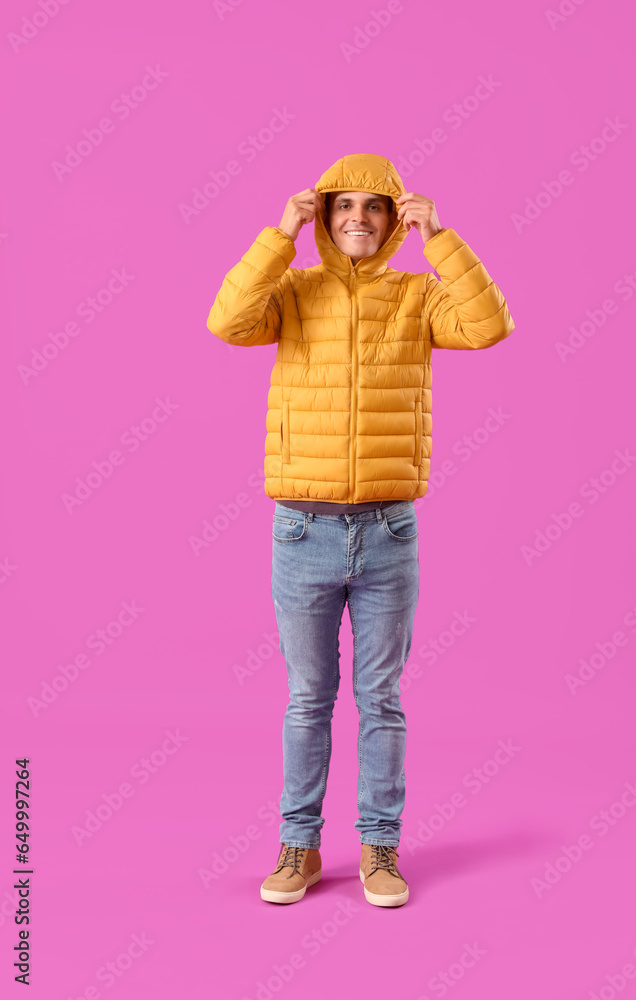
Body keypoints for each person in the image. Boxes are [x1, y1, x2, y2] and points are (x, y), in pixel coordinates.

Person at [206, 153, 516, 908]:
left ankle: (380, 849)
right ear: (322, 218)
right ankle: (299, 847)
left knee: (381, 697)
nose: (357, 218)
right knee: (309, 697)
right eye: (342, 206)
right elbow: (227, 321)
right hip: (302, 532)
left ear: (392, 219)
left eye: (373, 207)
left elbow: (490, 325)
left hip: (388, 533)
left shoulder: (418, 296)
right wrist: (276, 237)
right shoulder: (293, 290)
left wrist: (442, 237)